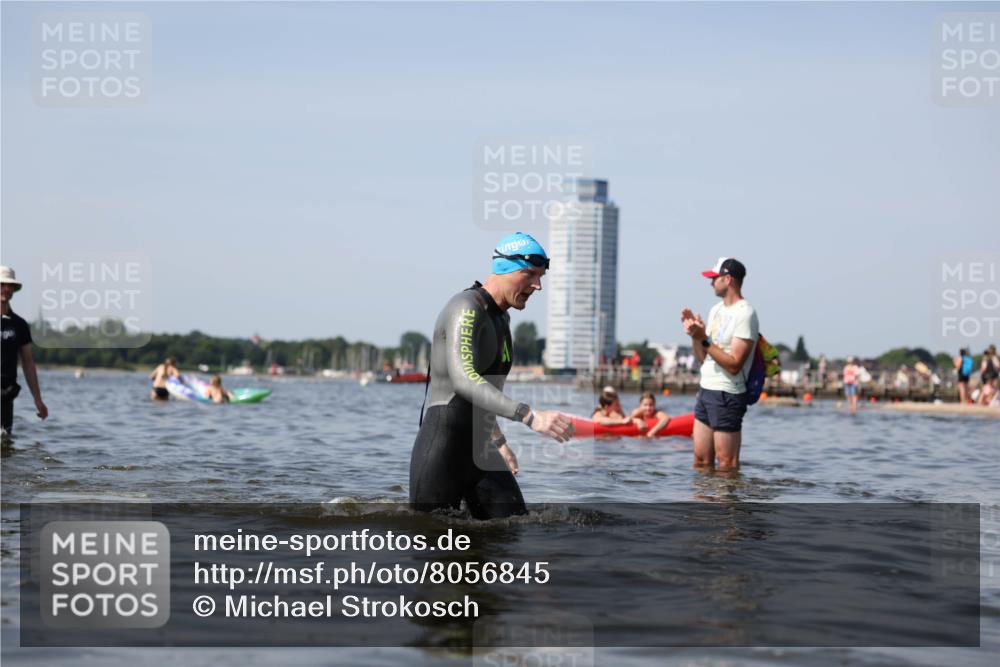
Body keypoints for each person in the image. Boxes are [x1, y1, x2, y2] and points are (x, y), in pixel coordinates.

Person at [409, 232, 573, 519]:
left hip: (481, 451)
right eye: (530, 274)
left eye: (541, 276)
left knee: (515, 529)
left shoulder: (502, 317)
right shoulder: (465, 308)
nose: (538, 285)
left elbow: (485, 389)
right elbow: (464, 380)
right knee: (435, 544)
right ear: (504, 269)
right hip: (443, 450)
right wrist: (530, 416)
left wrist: (499, 442)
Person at [680, 257, 758, 471]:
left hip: (728, 393)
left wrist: (704, 339)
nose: (711, 282)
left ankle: (728, 505)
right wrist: (695, 336)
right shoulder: (716, 310)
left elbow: (734, 364)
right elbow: (703, 358)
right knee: (701, 461)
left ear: (728, 279)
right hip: (706, 390)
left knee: (727, 465)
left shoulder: (745, 313)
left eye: (714, 278)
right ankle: (703, 505)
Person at [1, 266, 49, 438]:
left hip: (6, 394)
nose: (6, 289)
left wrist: (38, 399)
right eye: (2, 284)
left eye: (10, 285)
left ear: (14, 289)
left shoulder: (19, 325)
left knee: (4, 439)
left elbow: (28, 363)